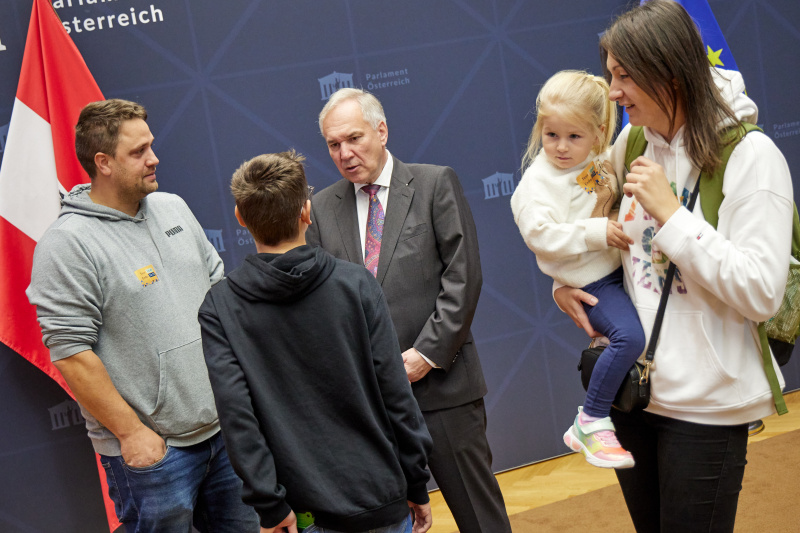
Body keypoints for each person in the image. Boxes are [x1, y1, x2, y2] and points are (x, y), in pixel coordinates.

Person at [554, 1, 793, 531]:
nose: (613, 91)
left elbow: (761, 291)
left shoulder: (753, 157)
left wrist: (671, 214)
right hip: (634, 395)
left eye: (624, 76)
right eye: (611, 74)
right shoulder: (631, 140)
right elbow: (600, 227)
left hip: (706, 408)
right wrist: (564, 283)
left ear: (671, 73)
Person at [26, 99, 259, 533]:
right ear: (103, 162)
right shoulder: (67, 244)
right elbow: (72, 352)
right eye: (138, 152)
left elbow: (219, 295)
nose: (154, 158)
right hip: (156, 457)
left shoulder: (173, 207)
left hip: (225, 434)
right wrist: (132, 434)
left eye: (150, 146)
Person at [306, 88, 512, 533]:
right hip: (370, 405)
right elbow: (321, 304)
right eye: (333, 144)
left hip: (443, 389)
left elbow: (464, 278)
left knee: (480, 517)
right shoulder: (321, 210)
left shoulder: (435, 183)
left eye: (354, 138)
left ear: (381, 130)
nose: (344, 153)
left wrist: (425, 356)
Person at [199, 150, 434, 533]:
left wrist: (269, 506)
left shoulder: (219, 308)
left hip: (298, 513)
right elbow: (396, 396)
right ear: (307, 212)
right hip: (381, 499)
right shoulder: (358, 285)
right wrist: (417, 482)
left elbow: (238, 419)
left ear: (240, 218)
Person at [510, 70, 644, 469]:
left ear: (599, 132)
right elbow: (541, 236)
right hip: (594, 282)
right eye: (552, 136)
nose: (562, 148)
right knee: (628, 337)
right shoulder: (536, 184)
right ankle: (590, 419)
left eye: (574, 136)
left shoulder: (605, 156)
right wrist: (596, 231)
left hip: (626, 271)